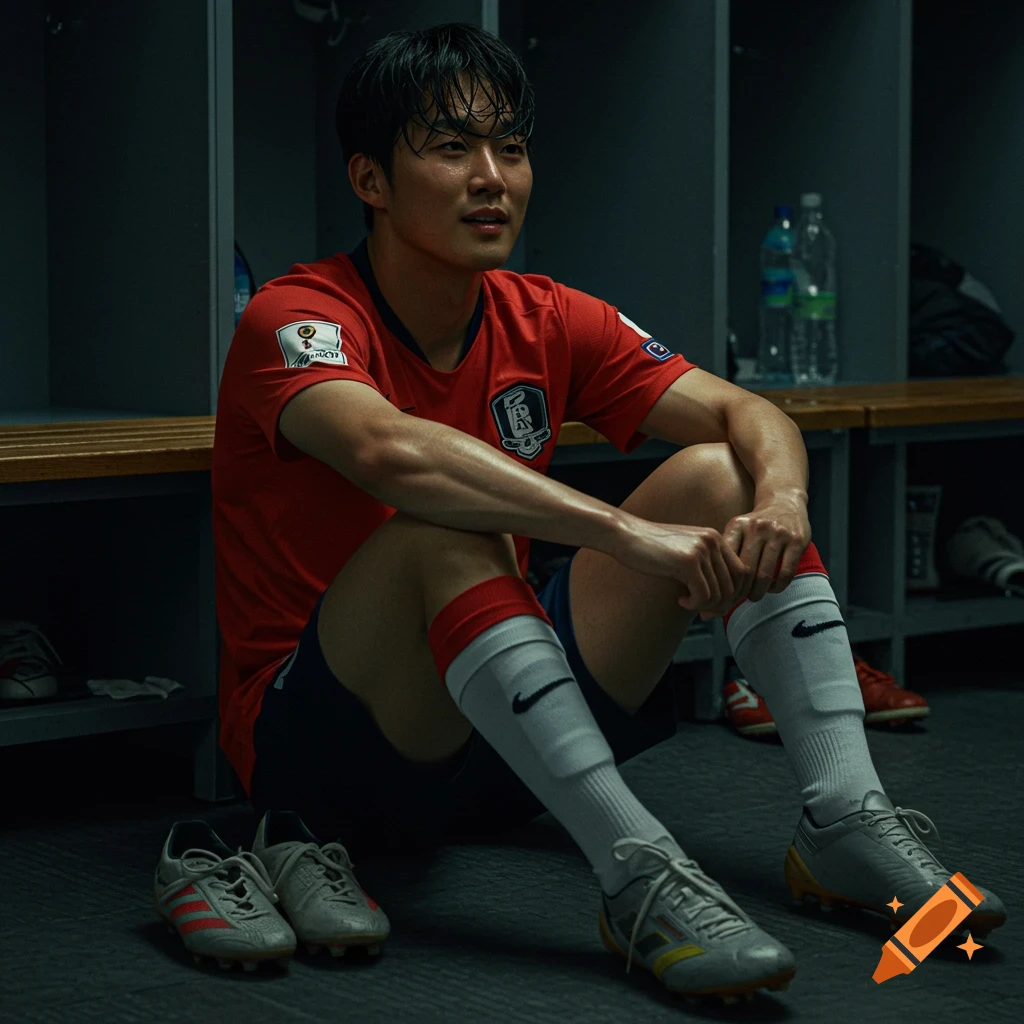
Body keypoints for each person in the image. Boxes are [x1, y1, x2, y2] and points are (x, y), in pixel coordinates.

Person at [211, 22, 1005, 1002]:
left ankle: (844, 817)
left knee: (722, 475)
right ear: (369, 179)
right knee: (443, 530)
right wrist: (624, 531)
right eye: (451, 148)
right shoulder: (294, 316)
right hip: (329, 756)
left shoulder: (541, 313)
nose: (491, 176)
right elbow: (387, 452)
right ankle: (638, 872)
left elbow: (745, 411)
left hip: (498, 735)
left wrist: (785, 503)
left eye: (510, 146)